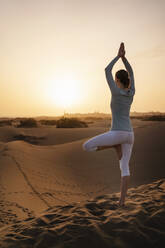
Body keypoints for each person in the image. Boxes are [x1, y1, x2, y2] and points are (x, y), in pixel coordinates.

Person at [82, 42, 135, 206]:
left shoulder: (116, 91)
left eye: (115, 80)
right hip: (130, 135)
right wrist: (124, 59)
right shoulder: (131, 92)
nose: (113, 81)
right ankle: (122, 202)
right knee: (124, 167)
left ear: (117, 80)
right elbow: (131, 72)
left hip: (117, 134)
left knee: (86, 146)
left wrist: (118, 56)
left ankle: (112, 146)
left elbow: (106, 70)